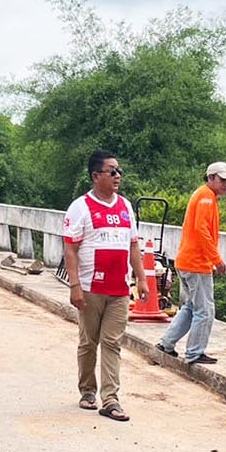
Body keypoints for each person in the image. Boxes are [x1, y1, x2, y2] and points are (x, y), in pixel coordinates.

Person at [62, 150, 149, 422]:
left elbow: (133, 244)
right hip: (90, 288)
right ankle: (87, 390)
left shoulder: (125, 206)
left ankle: (110, 399)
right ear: (95, 176)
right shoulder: (80, 207)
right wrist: (75, 285)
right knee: (89, 342)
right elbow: (70, 248)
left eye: (119, 171)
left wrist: (141, 278)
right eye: (112, 171)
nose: (117, 176)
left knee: (112, 342)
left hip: (119, 289)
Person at [156, 162, 226, 364]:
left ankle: (166, 344)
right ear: (210, 178)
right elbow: (202, 231)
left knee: (191, 307)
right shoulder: (206, 198)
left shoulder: (204, 195)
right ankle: (194, 352)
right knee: (205, 311)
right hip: (197, 264)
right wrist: (217, 259)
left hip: (187, 262)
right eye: (223, 180)